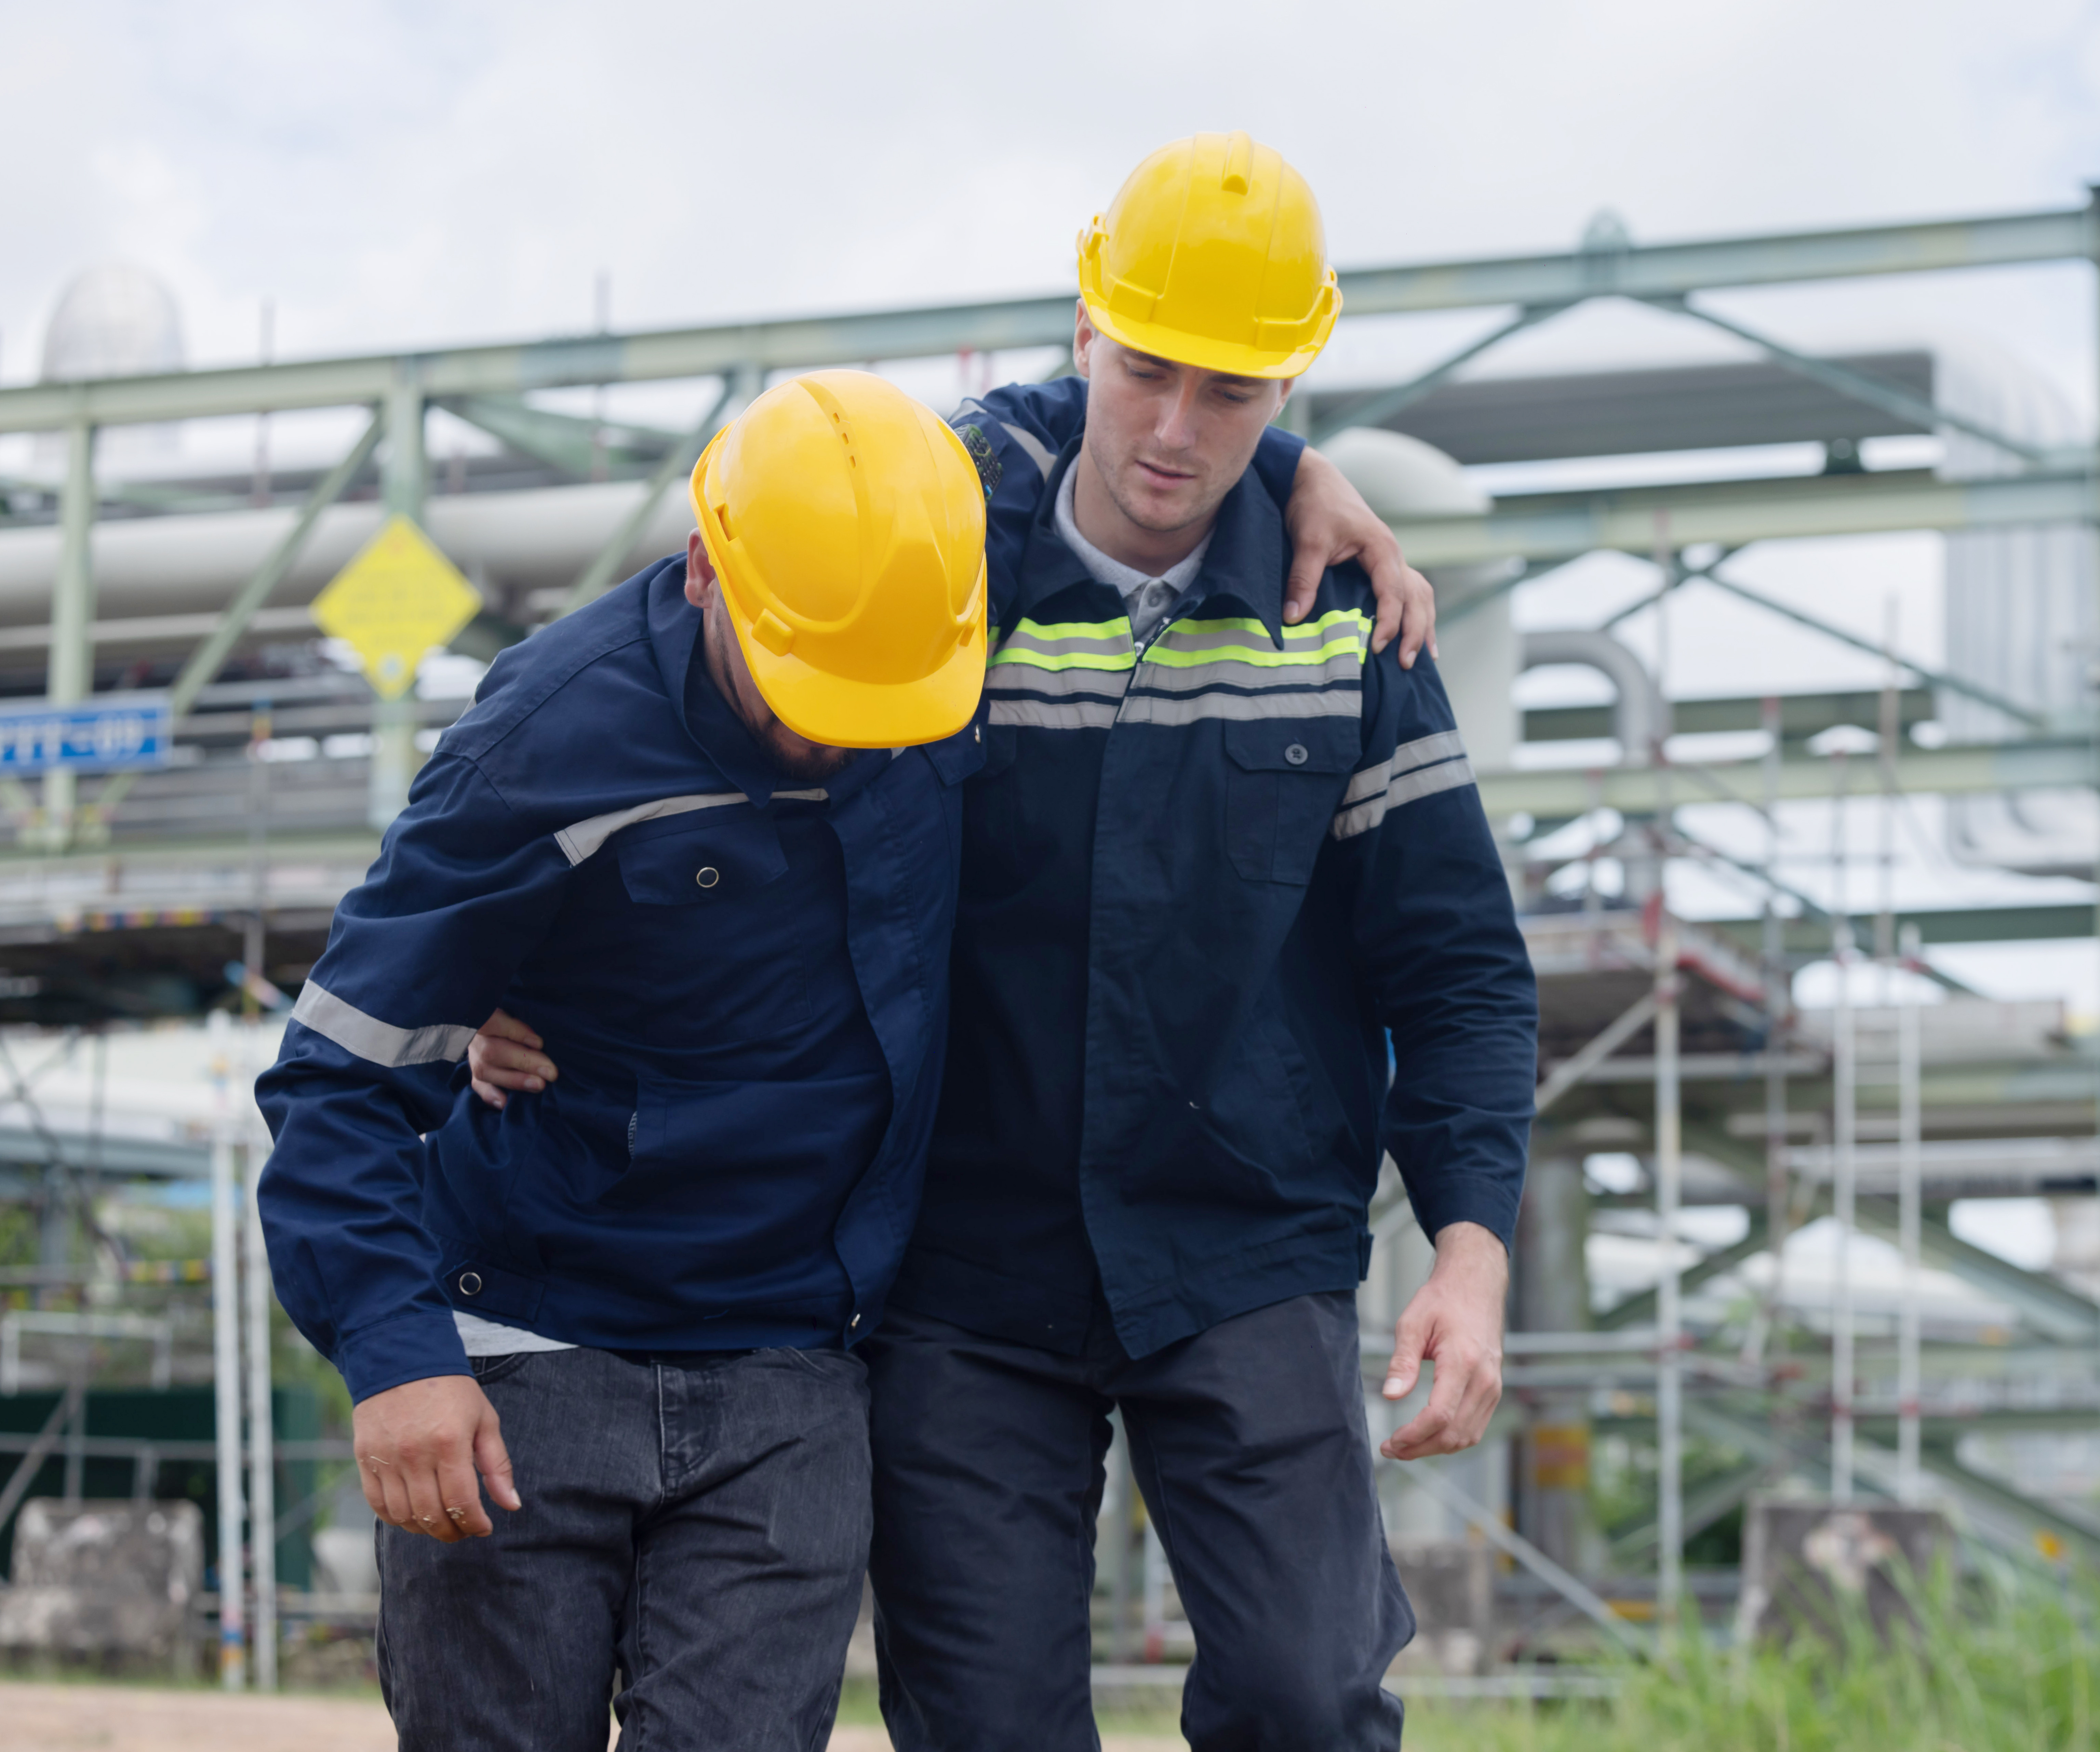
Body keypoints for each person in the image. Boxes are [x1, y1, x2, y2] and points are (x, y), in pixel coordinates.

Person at [482, 131, 1535, 1750]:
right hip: (961, 1264)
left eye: (1234, 398)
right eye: (1144, 373)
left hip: (1237, 1241)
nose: (1177, 433)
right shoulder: (931, 562)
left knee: (1307, 1698)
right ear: (1081, 330)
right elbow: (709, 661)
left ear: (1288, 391)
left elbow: (1454, 965)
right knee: (983, 1726)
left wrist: (1468, 1249)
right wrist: (524, 968)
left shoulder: (1346, 620)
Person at [259, 364, 1428, 1752]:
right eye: (807, 687)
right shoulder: (542, 743)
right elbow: (338, 1076)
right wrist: (394, 1355)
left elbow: (1104, 409)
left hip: (791, 1371)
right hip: (527, 1357)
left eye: (885, 699)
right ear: (708, 573)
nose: (838, 729)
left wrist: (1287, 465)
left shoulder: (923, 579)